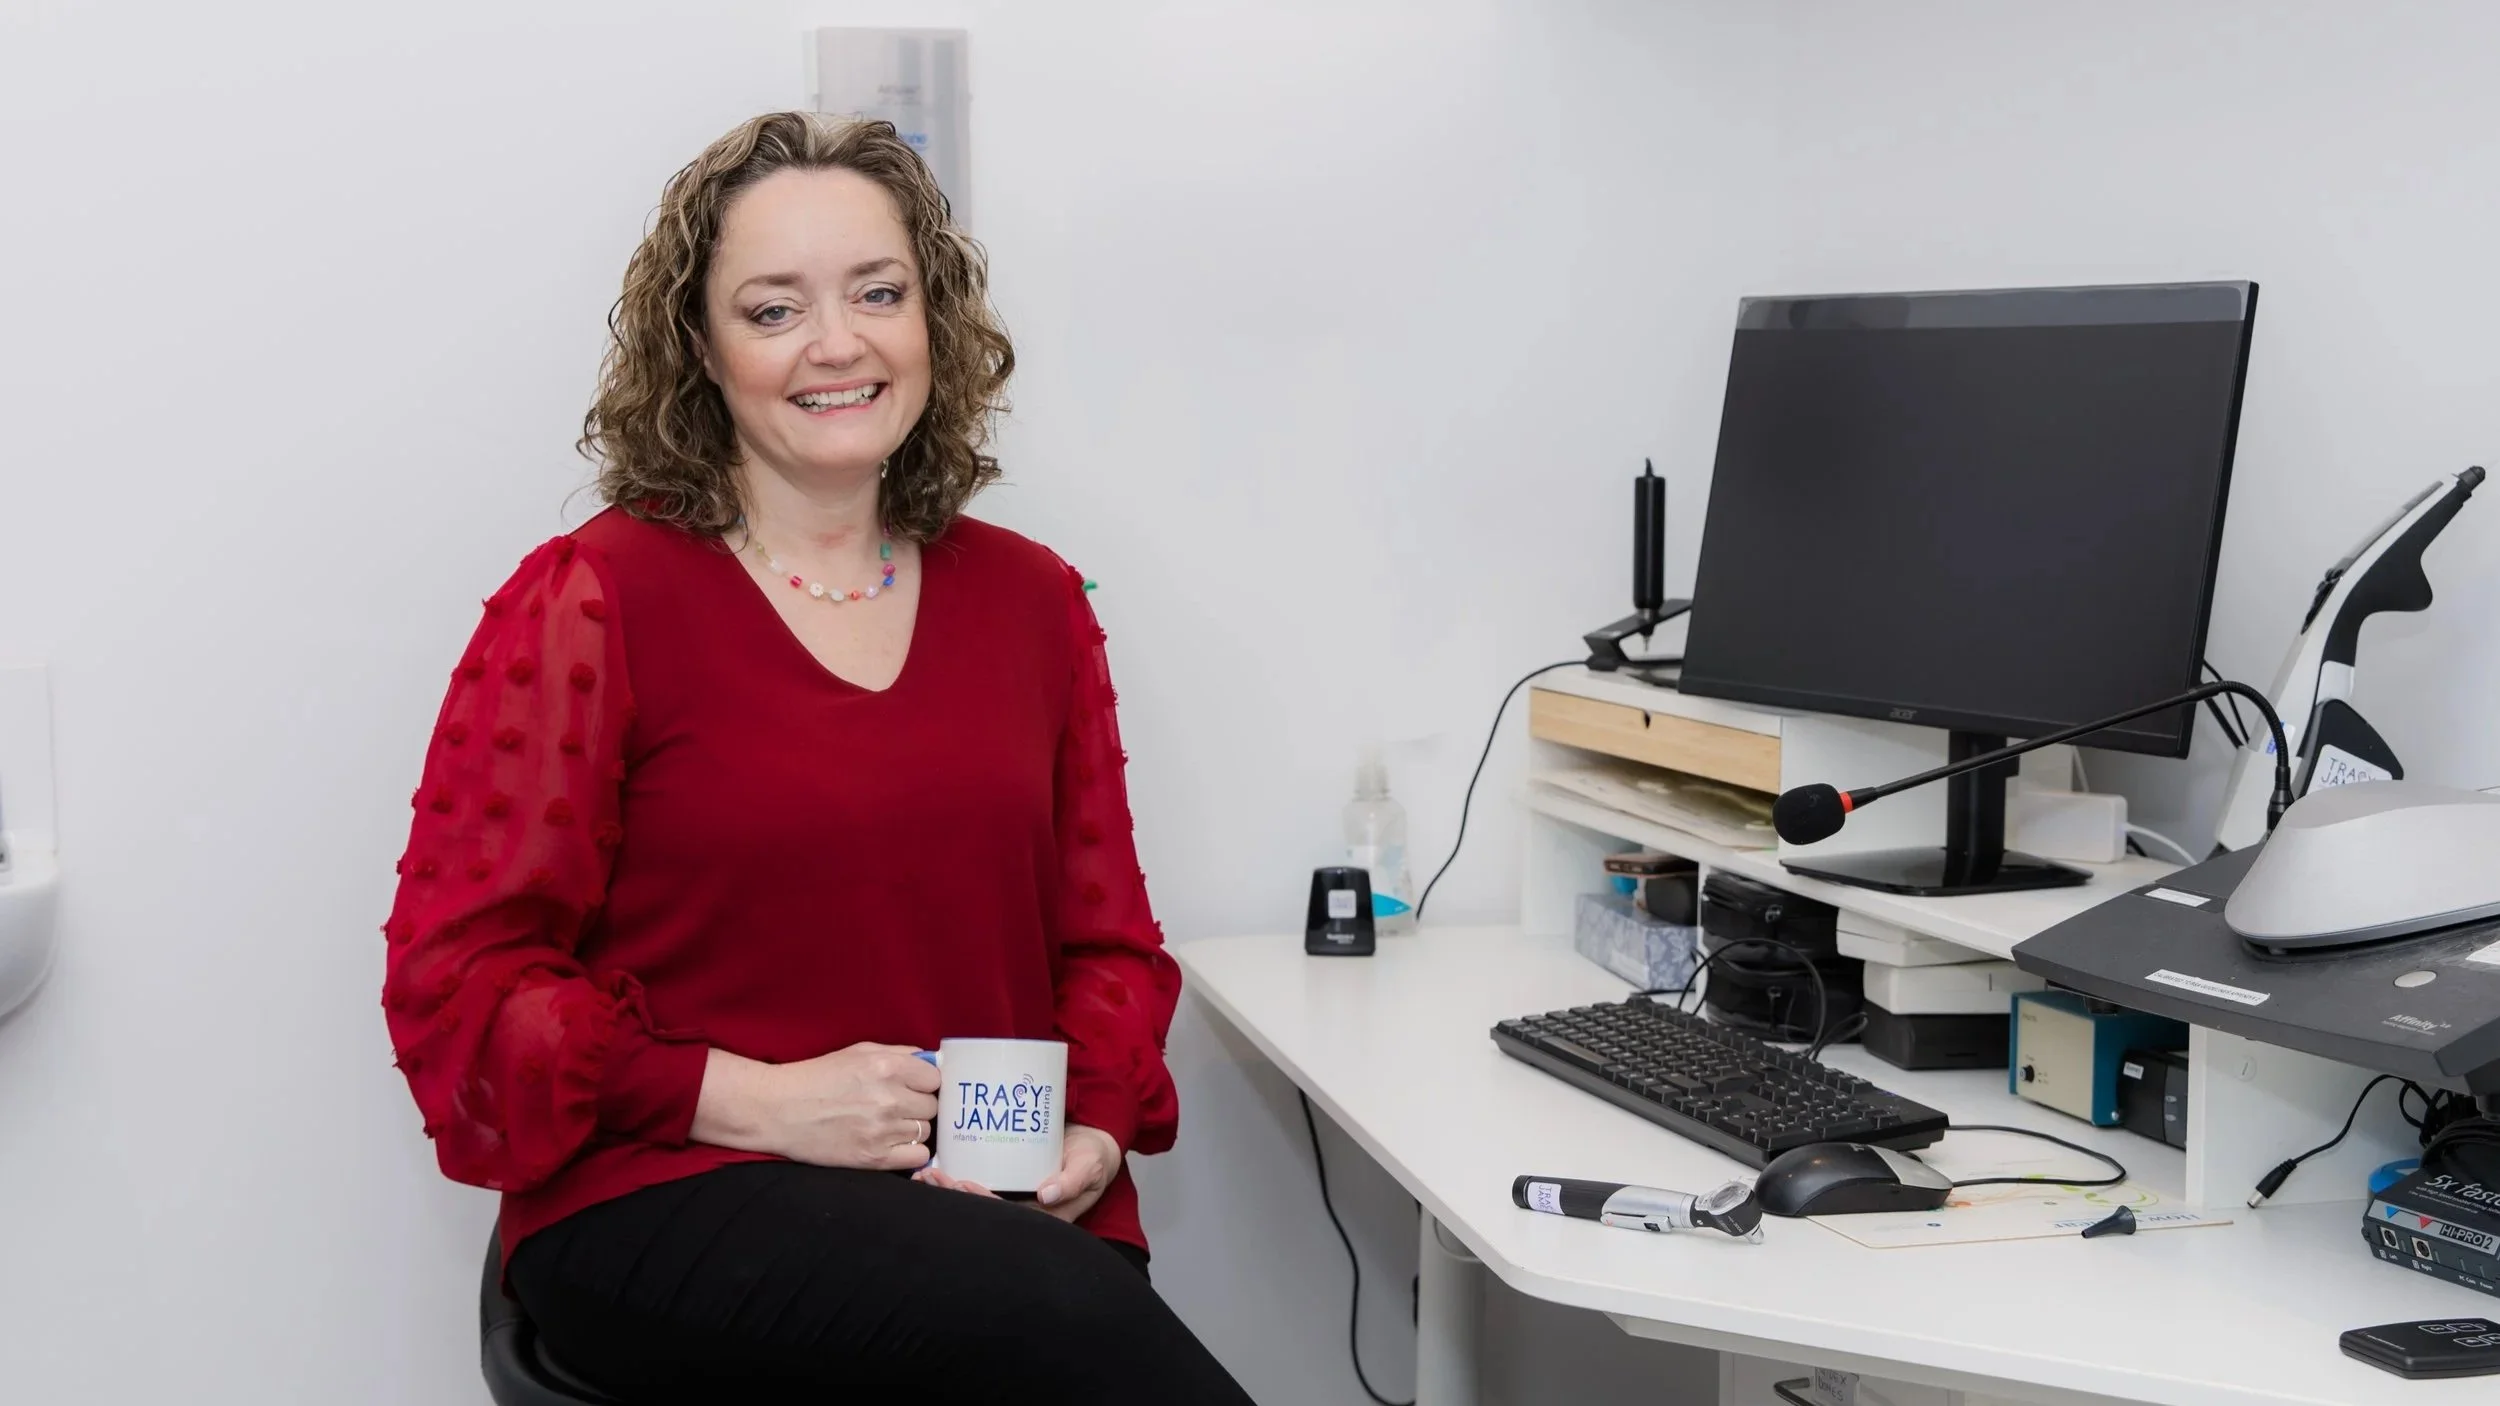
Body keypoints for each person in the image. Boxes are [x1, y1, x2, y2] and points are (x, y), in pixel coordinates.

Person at [379, 111, 1254, 1404]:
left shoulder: (1036, 602)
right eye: (774, 308)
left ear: (932, 322)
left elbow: (1108, 944)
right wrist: (757, 1100)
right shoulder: (589, 600)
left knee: (1052, 1301)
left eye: (878, 293)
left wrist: (1098, 1121)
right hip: (679, 1193)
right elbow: (458, 987)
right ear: (703, 349)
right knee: (1056, 1316)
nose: (836, 343)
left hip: (993, 1212)